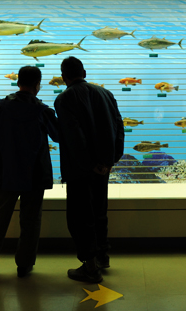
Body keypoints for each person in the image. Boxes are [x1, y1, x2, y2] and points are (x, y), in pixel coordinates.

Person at [0, 66, 58, 279]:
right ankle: (25, 264)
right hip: (35, 176)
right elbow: (58, 136)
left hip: (5, 173)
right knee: (31, 221)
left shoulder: (0, 108)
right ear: (38, 85)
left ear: (18, 82)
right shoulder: (43, 111)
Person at [54, 56, 125, 283]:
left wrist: (89, 164)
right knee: (99, 211)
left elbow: (74, 137)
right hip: (104, 168)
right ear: (83, 72)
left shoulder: (64, 99)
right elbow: (119, 128)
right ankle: (103, 256)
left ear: (64, 77)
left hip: (80, 169)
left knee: (80, 216)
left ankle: (90, 267)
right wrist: (110, 160)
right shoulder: (106, 94)